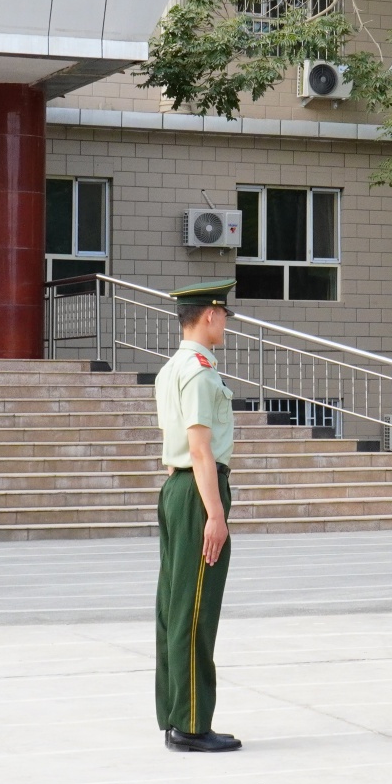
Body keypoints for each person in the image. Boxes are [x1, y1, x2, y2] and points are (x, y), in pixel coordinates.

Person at [153, 279, 240, 753]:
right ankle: (190, 723)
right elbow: (202, 451)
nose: (225, 323)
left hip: (175, 487)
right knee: (195, 609)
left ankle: (173, 713)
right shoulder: (201, 371)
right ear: (208, 315)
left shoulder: (171, 369)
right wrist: (215, 515)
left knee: (173, 605)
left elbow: (175, 452)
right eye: (223, 314)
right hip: (198, 490)